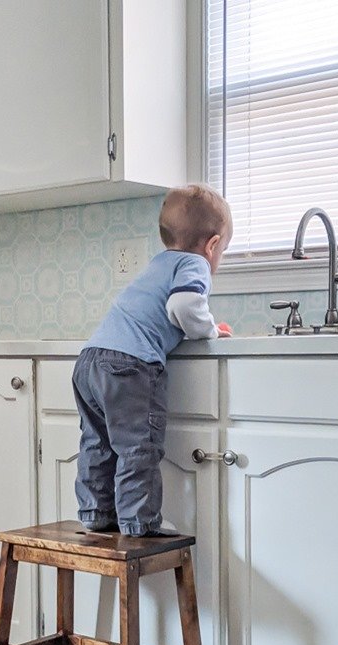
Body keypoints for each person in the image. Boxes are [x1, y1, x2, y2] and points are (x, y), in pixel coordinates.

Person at [72, 183, 233, 537]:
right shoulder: (195, 263)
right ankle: (139, 522)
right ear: (213, 245)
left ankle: (96, 512)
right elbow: (184, 306)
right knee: (138, 446)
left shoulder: (158, 263)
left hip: (90, 360)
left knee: (98, 442)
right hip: (130, 365)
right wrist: (209, 331)